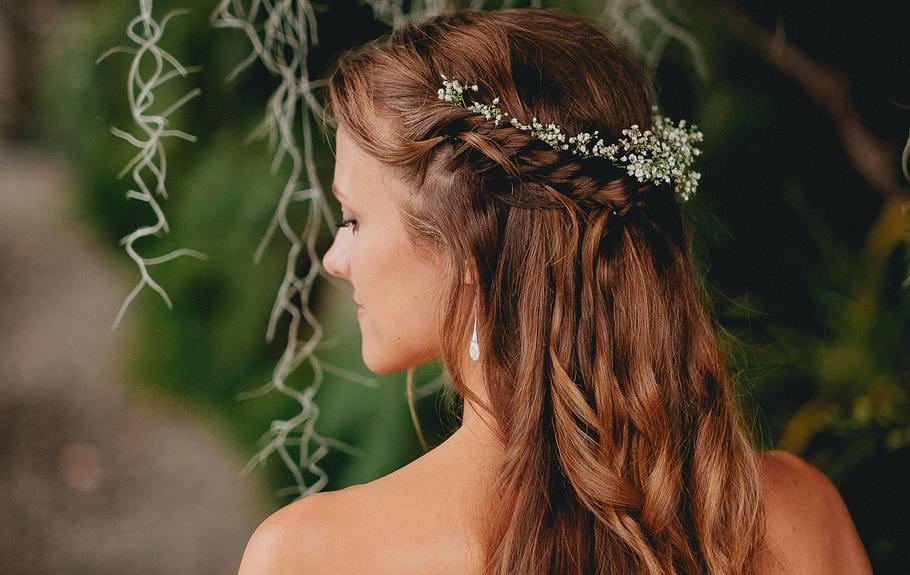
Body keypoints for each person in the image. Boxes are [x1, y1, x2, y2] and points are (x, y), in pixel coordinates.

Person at [237, 7, 873, 574]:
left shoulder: (312, 555)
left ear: (466, 249)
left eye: (353, 218)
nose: (335, 258)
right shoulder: (801, 515)